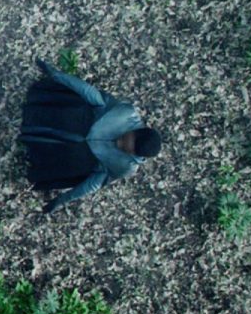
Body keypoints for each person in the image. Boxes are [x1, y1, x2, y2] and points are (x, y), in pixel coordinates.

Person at [19, 58, 161, 213]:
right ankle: (33, 116)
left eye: (126, 148)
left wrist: (61, 201)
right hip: (75, 119)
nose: (121, 143)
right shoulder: (126, 114)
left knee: (74, 157)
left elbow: (93, 183)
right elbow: (89, 93)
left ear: (133, 154)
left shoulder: (126, 167)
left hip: (75, 155)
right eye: (126, 138)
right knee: (73, 120)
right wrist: (56, 74)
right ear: (135, 130)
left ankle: (30, 149)